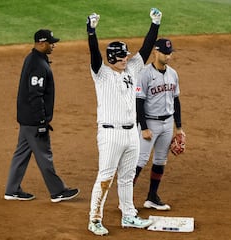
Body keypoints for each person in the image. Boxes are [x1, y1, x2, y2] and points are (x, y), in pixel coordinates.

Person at [86, 8, 162, 236]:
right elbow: (94, 55)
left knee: (127, 177)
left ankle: (129, 215)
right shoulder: (101, 74)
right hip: (110, 134)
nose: (125, 58)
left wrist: (155, 25)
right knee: (105, 177)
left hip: (132, 133)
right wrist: (91, 32)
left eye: (126, 55)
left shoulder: (131, 69)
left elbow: (146, 49)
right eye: (121, 56)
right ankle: (95, 219)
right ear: (112, 58)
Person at [4, 29, 79, 203]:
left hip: (26, 119)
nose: (54, 45)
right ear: (41, 43)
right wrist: (41, 121)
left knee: (21, 154)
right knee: (44, 154)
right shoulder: (38, 64)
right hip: (33, 120)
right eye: (51, 42)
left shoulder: (34, 59)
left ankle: (12, 190)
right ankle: (57, 191)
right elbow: (35, 94)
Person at [134, 38, 185, 211]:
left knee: (160, 160)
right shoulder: (144, 74)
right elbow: (138, 103)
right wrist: (144, 127)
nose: (168, 56)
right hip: (150, 122)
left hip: (167, 123)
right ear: (155, 52)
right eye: (165, 52)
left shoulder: (173, 74)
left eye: (170, 53)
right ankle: (124, 199)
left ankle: (152, 197)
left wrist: (179, 127)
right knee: (140, 161)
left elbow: (176, 101)